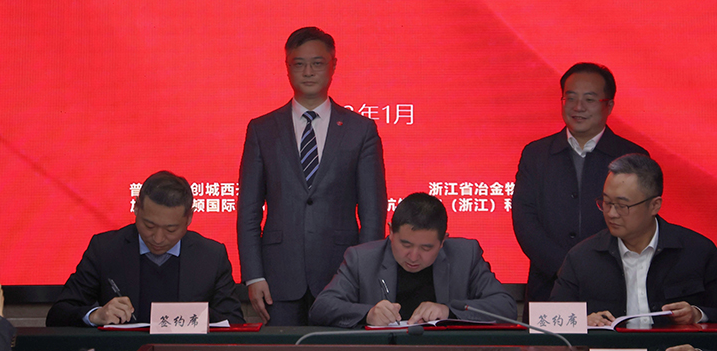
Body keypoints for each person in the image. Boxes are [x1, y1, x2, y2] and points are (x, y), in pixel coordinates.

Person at [237, 26, 387, 326]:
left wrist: (365, 273)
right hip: (278, 277)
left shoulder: (360, 130)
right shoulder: (262, 130)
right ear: (287, 67)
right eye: (299, 64)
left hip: (341, 274)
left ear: (333, 65)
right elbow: (248, 211)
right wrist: (253, 275)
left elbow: (372, 211)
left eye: (317, 63)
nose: (308, 72)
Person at [550, 154, 717, 327]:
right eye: (607, 203)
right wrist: (581, 321)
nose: (611, 213)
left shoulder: (697, 252)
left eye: (622, 206)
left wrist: (697, 315)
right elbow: (551, 322)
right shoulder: (581, 257)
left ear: (654, 205)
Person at [512, 62, 649, 308]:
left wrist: (596, 271)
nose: (578, 107)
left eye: (589, 99)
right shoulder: (536, 154)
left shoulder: (632, 157)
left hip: (615, 286)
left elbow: (639, 224)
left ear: (609, 106)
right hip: (549, 287)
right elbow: (525, 221)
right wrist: (564, 268)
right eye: (571, 98)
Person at [46, 171, 244, 327]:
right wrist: (96, 315)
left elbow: (234, 323)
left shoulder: (211, 256)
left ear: (189, 218)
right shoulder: (106, 249)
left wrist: (197, 318)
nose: (158, 238)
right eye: (149, 226)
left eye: (171, 230)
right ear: (136, 208)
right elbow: (58, 314)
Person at [308, 192, 516, 328]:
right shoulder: (362, 259)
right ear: (391, 232)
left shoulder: (465, 255)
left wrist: (449, 311)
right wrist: (368, 314)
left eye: (426, 248)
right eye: (405, 245)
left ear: (443, 241)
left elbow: (505, 307)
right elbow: (321, 308)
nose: (414, 256)